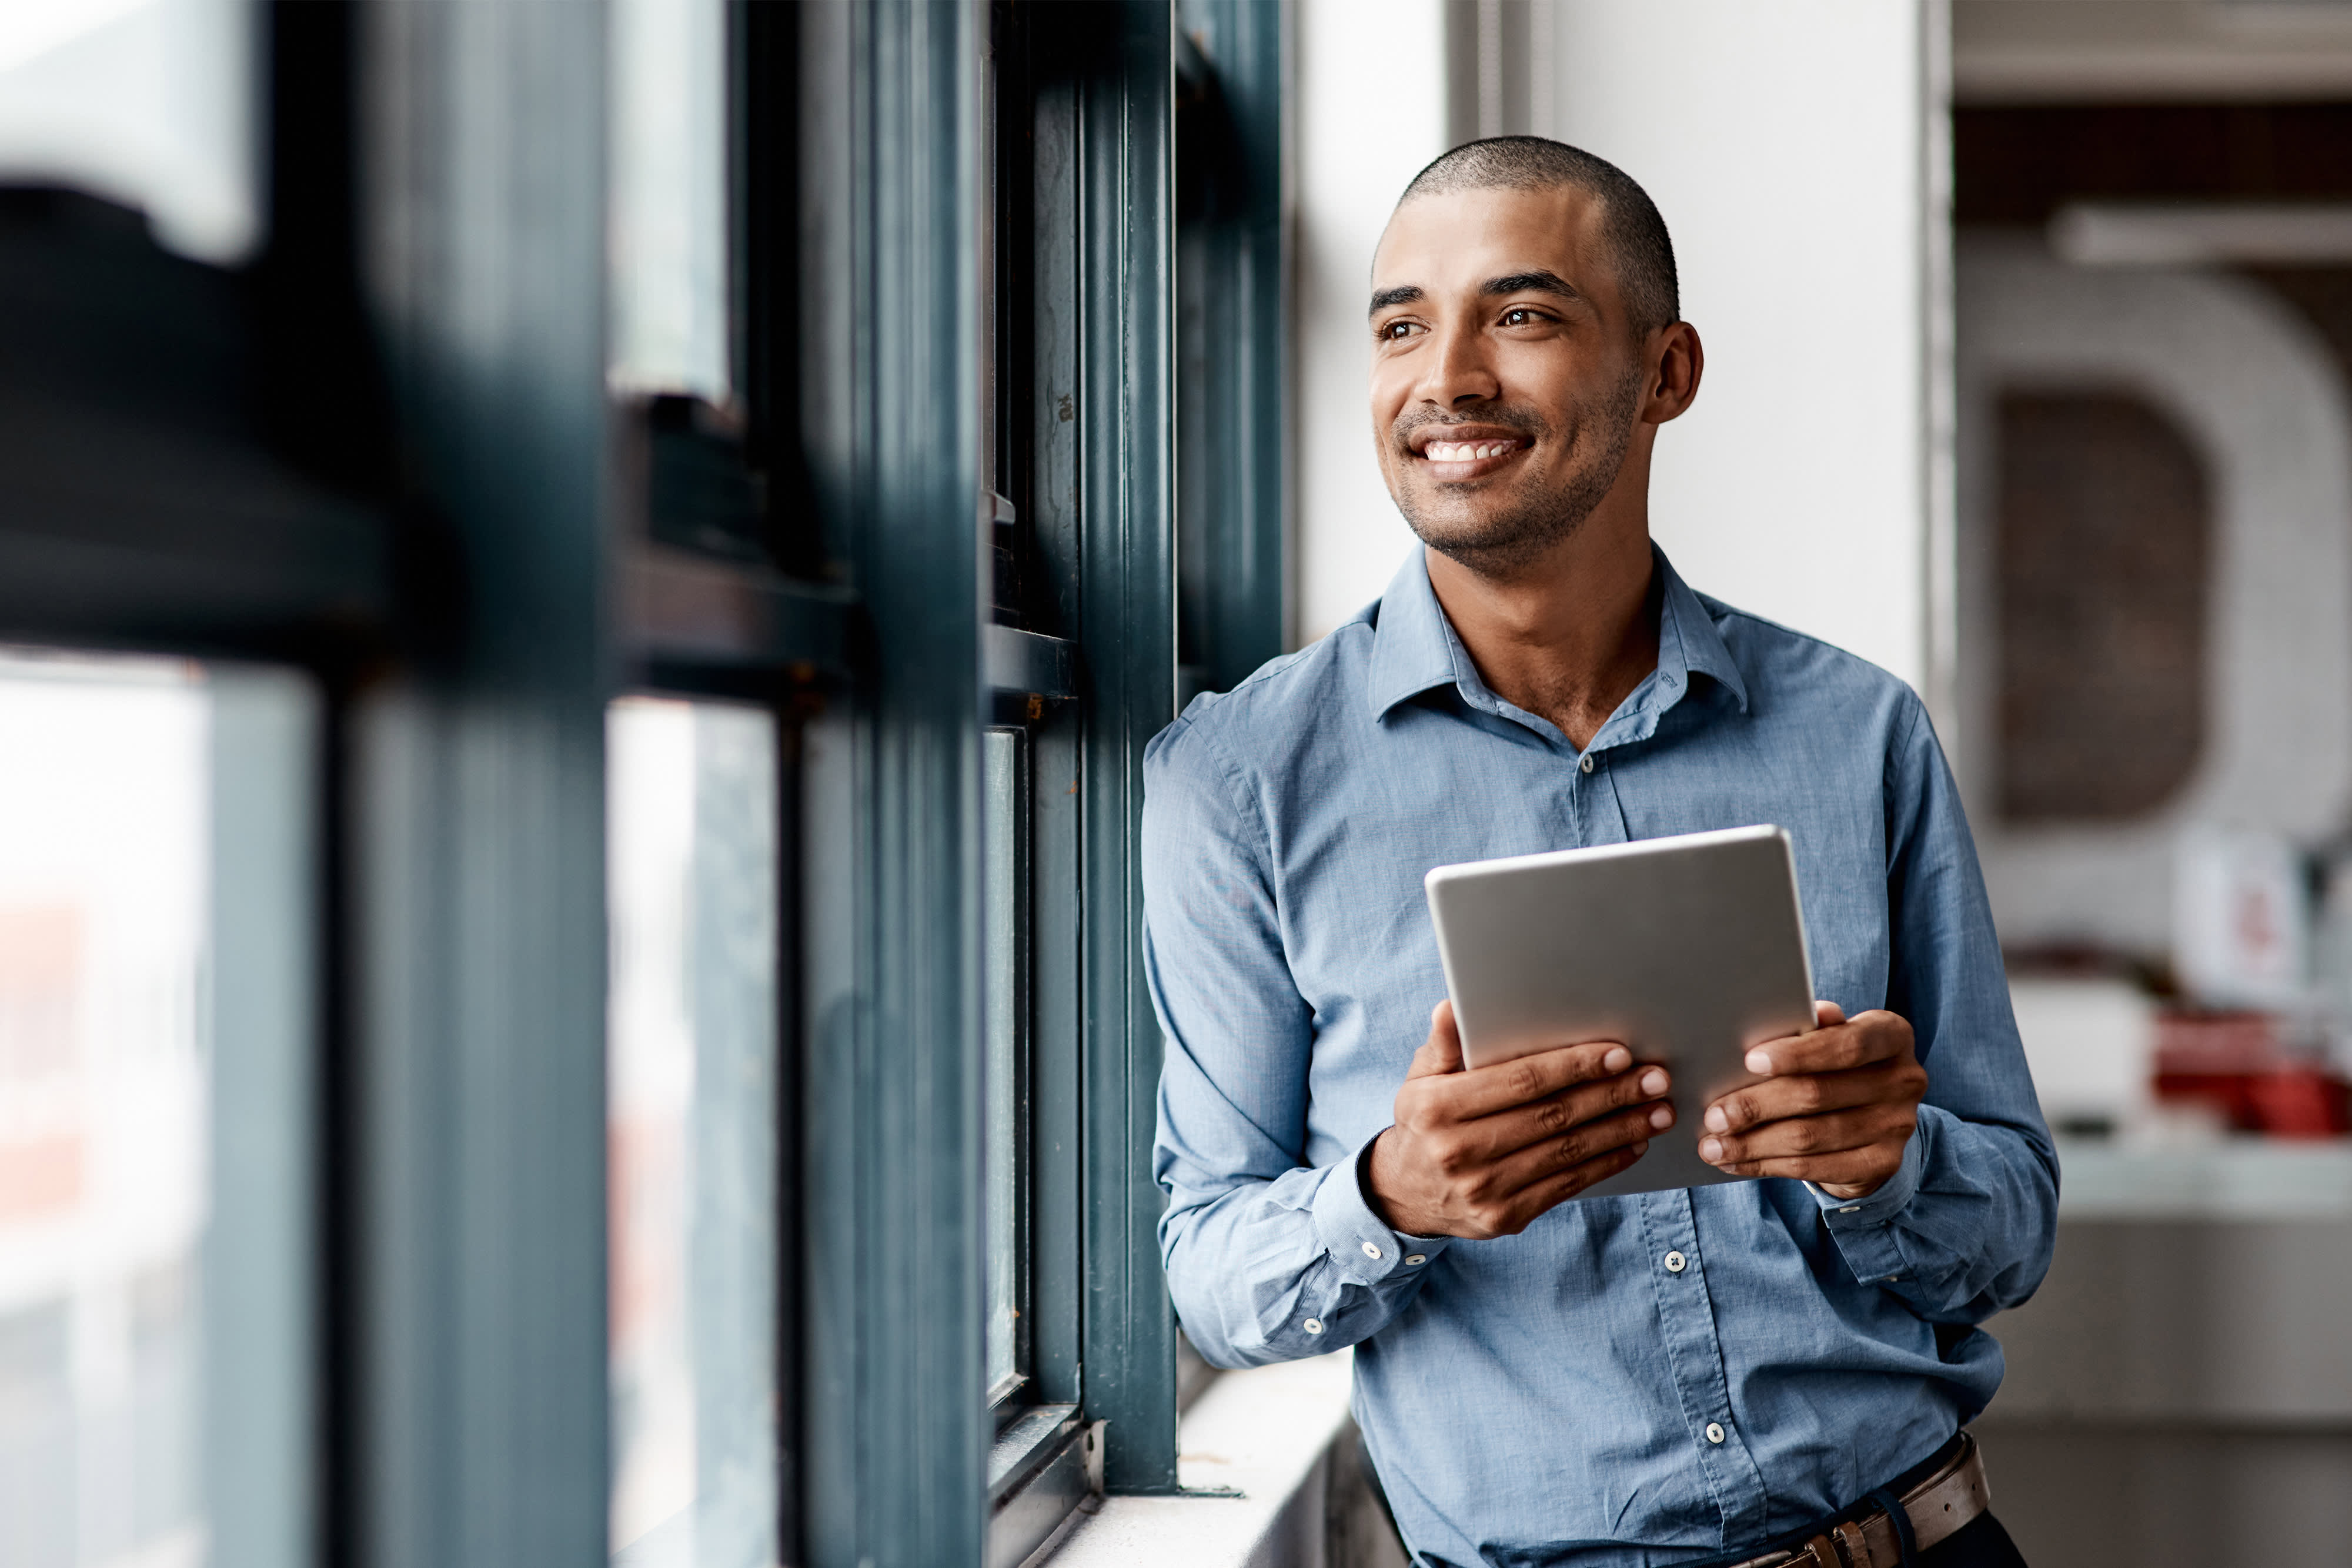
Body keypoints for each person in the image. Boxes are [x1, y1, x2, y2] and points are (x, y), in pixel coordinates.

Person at [1142, 137, 2056, 1568]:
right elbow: (1207, 1271)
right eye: (1399, 325)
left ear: (1663, 373)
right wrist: (1390, 1196)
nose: (1445, 377)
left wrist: (1886, 1162)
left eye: (1519, 314)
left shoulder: (1858, 732)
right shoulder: (1239, 777)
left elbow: (2010, 1231)